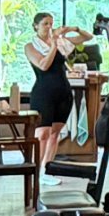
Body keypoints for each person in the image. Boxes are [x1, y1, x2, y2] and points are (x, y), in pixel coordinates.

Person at [25, 11, 84, 164]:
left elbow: (87, 37)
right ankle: (35, 170)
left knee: (55, 134)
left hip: (63, 92)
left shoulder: (60, 43)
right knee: (42, 134)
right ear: (35, 26)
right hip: (44, 93)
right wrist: (53, 45)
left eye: (51, 24)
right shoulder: (30, 47)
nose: (49, 27)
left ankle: (47, 169)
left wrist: (74, 29)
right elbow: (43, 65)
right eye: (45, 24)